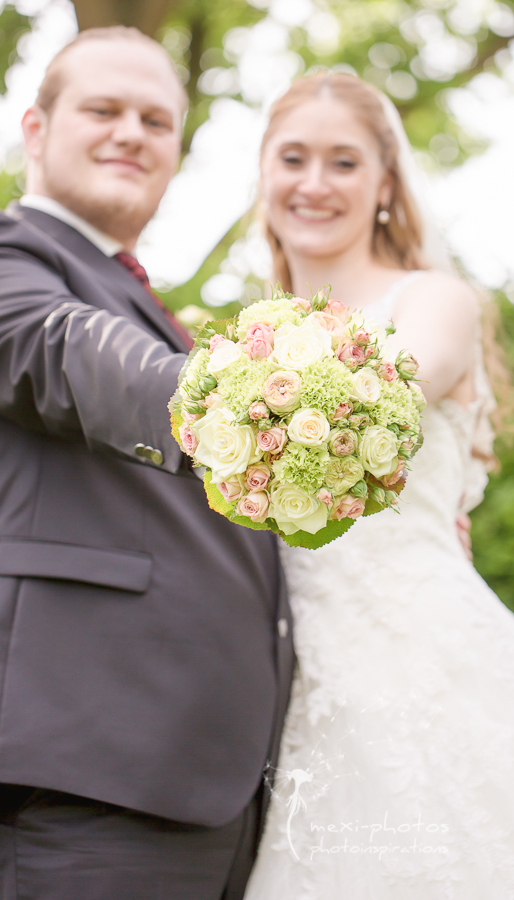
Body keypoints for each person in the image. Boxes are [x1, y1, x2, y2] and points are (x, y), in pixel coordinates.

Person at [0, 27, 294, 900]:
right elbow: (64, 352)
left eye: (157, 120)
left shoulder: (151, 306)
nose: (132, 132)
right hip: (79, 775)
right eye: (104, 109)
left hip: (213, 797)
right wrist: (277, 406)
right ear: (36, 129)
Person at [244, 72, 514, 898]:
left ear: (386, 184)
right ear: (264, 174)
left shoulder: (435, 302)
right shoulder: (245, 335)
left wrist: (225, 394)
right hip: (286, 689)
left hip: (420, 665)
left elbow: (393, 389)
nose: (315, 184)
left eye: (344, 162)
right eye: (294, 158)